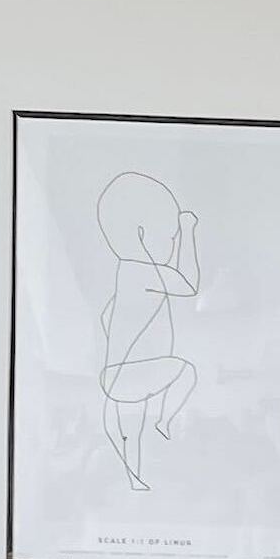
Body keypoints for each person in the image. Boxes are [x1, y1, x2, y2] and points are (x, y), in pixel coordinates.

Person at [96, 171, 200, 492]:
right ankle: (164, 421)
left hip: (117, 374)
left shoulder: (124, 274)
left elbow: (106, 315)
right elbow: (189, 284)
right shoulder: (142, 270)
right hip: (133, 373)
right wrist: (188, 232)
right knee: (185, 372)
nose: (172, 245)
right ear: (142, 234)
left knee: (130, 431)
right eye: (169, 237)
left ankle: (135, 481)